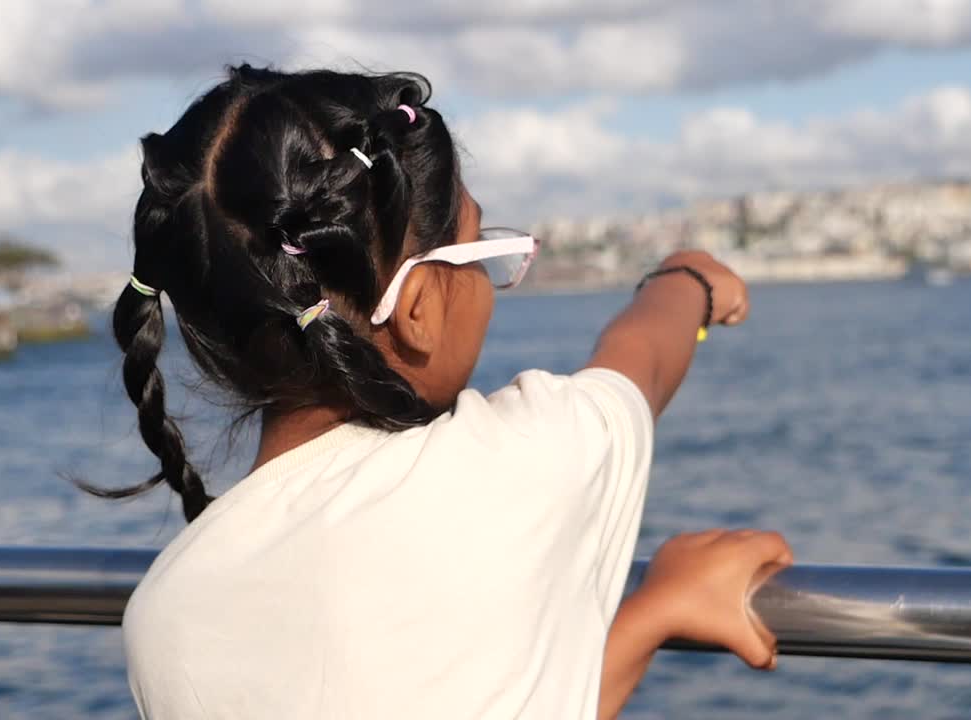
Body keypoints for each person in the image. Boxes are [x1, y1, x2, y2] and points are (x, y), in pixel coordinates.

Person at [86, 64, 792, 719]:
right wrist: (689, 280)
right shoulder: (516, 463)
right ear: (417, 308)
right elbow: (641, 357)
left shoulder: (163, 613)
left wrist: (653, 616)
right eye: (482, 254)